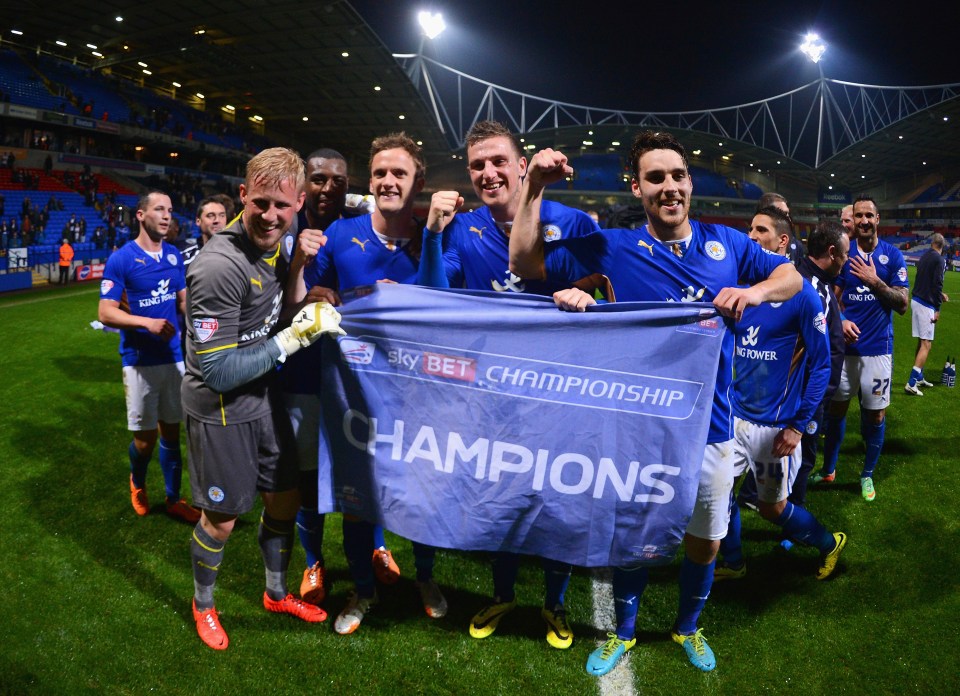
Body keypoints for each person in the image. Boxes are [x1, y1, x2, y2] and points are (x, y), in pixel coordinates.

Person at [509, 130, 801, 676]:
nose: (670, 187)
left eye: (678, 176)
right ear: (638, 188)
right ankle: (623, 632)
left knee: (705, 541)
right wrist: (533, 190)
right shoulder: (614, 247)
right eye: (656, 178)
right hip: (639, 430)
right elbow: (527, 263)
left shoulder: (730, 244)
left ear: (690, 183)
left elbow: (791, 276)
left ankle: (688, 626)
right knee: (633, 536)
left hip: (712, 428)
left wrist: (753, 292)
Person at [418, 120, 600, 650]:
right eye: (478, 165)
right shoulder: (464, 228)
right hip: (492, 396)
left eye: (499, 161)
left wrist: (589, 296)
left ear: (522, 166)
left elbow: (608, 289)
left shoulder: (569, 220)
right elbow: (433, 292)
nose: (488, 173)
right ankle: (503, 593)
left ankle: (555, 602)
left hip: (559, 392)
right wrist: (431, 233)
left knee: (558, 500)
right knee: (500, 496)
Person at [182, 147, 345, 650]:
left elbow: (276, 311)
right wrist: (296, 337)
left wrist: (303, 285)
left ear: (298, 202)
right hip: (221, 406)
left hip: (264, 395)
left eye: (281, 206)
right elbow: (217, 369)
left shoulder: (284, 242)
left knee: (286, 498)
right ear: (243, 196)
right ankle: (203, 604)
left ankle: (276, 592)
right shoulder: (217, 266)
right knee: (223, 518)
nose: (270, 216)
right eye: (260, 204)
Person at [288, 133, 447, 635]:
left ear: (417, 181)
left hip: (417, 389)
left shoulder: (436, 234)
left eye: (399, 173)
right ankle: (363, 588)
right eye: (379, 173)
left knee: (420, 493)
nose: (387, 181)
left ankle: (424, 578)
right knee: (357, 498)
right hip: (354, 392)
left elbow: (445, 301)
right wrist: (312, 287)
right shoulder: (341, 234)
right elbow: (306, 296)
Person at [277, 147, 392, 608]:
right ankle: (312, 560)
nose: (328, 188)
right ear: (306, 181)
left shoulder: (358, 224)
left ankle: (379, 547)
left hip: (354, 374)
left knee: (368, 467)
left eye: (338, 181)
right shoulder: (283, 226)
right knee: (307, 475)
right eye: (320, 179)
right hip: (302, 372)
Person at [714, 207, 845, 582]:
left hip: (776, 430)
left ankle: (828, 543)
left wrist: (798, 426)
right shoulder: (742, 286)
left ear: (782, 241)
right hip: (735, 417)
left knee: (773, 509)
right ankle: (734, 561)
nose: (751, 236)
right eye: (749, 228)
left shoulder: (803, 295)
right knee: (718, 494)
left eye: (761, 230)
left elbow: (821, 365)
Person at [97, 191, 198, 524]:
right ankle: (137, 482)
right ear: (141, 215)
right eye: (159, 209)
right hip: (139, 361)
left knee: (172, 433)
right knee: (145, 440)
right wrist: (147, 322)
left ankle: (173, 498)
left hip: (173, 359)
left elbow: (183, 303)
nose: (167, 216)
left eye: (170, 210)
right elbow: (106, 312)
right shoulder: (122, 259)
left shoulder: (173, 255)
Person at [811, 196, 909, 501]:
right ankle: (829, 469)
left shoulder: (892, 256)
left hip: (878, 350)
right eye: (859, 215)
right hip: (847, 350)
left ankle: (866, 476)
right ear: (853, 218)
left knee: (875, 416)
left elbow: (903, 304)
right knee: (837, 410)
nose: (864, 220)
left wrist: (875, 281)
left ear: (878, 219)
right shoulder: (844, 253)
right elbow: (831, 298)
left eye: (869, 215)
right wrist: (841, 322)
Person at [789, 221, 850, 512]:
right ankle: (792, 517)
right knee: (803, 458)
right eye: (845, 254)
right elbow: (809, 351)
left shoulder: (814, 281)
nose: (847, 260)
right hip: (807, 395)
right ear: (832, 252)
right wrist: (817, 397)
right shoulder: (813, 290)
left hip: (809, 392)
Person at [905, 232, 948, 395]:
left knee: (921, 341)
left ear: (932, 243)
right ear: (942, 247)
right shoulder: (940, 260)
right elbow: (937, 283)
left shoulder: (923, 257)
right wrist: (937, 308)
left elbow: (926, 280)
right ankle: (911, 383)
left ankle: (920, 376)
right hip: (926, 305)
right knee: (926, 344)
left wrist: (939, 294)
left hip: (917, 300)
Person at [758, 192, 804, 265]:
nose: (788, 217)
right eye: (783, 213)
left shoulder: (797, 246)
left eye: (788, 213)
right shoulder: (752, 243)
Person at [181, 196, 227, 266]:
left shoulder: (238, 253)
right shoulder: (185, 258)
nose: (217, 220)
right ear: (198, 221)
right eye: (210, 215)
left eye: (222, 215)